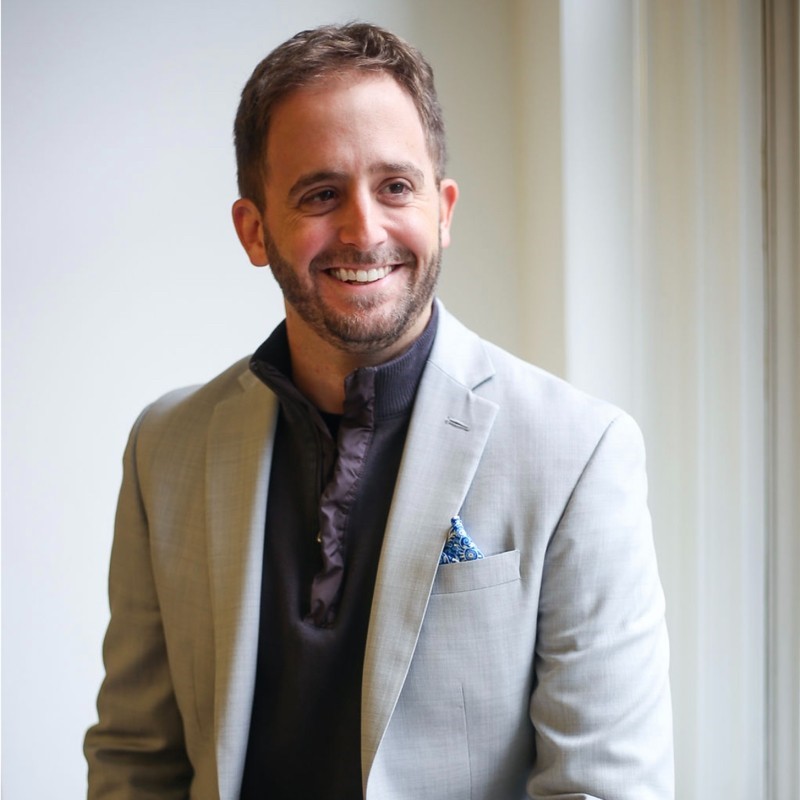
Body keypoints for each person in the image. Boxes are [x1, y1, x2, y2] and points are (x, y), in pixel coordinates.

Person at [84, 22, 673, 800]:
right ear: (254, 230)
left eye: (396, 186)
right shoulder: (165, 449)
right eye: (321, 194)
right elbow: (136, 760)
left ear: (443, 210)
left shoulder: (580, 452)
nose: (364, 230)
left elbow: (602, 785)